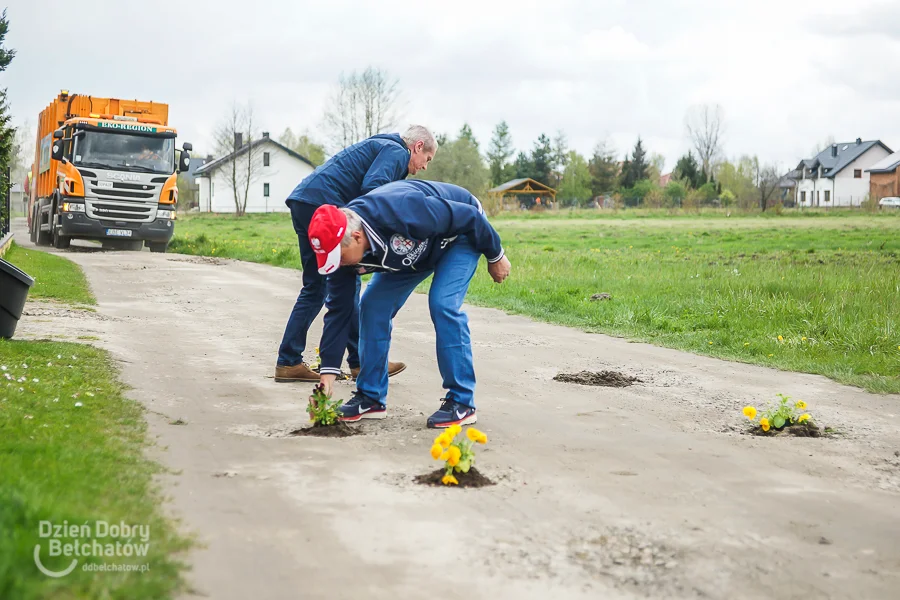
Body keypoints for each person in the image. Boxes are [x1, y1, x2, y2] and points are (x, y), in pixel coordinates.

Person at [306, 180, 511, 428]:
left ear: (357, 237)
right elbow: (339, 312)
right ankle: (370, 396)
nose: (335, 264)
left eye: (337, 257)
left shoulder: (400, 210)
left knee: (443, 303)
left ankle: (462, 402)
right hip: (413, 253)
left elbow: (469, 217)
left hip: (460, 234)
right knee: (371, 307)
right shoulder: (342, 254)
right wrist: (327, 380)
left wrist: (495, 255)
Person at [275, 126, 437, 383]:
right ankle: (357, 362)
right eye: (427, 159)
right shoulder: (397, 151)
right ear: (417, 146)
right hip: (323, 207)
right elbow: (374, 188)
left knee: (319, 287)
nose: (425, 167)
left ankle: (294, 361)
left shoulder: (385, 145)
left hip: (307, 202)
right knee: (343, 285)